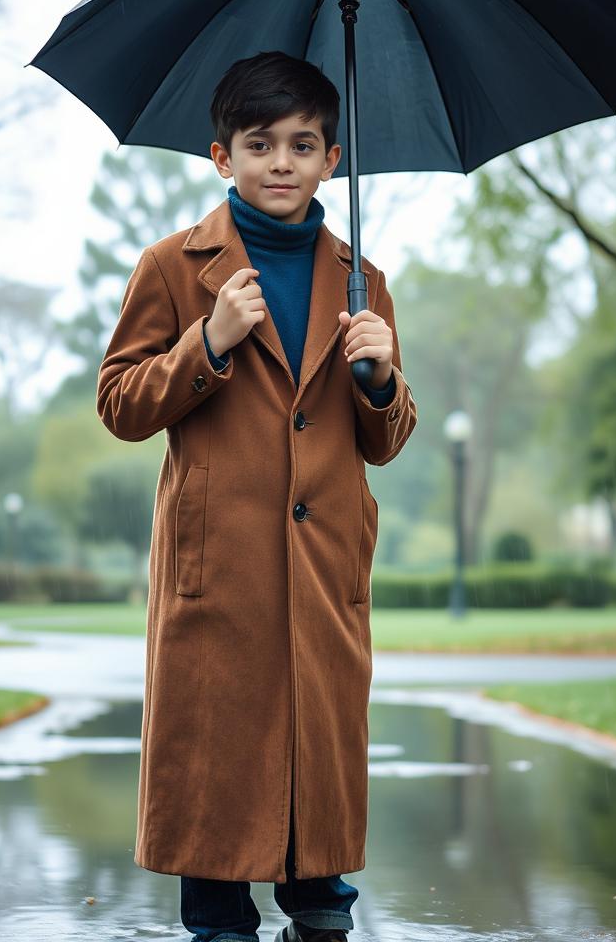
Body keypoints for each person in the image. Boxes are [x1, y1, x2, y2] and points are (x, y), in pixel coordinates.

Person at [96, 50, 418, 942]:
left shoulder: (365, 281)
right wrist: (209, 341)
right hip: (220, 567)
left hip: (323, 569)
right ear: (220, 157)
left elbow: (385, 441)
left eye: (304, 144)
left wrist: (382, 378)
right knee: (216, 748)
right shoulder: (171, 268)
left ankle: (321, 907)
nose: (282, 162)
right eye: (260, 142)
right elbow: (120, 403)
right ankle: (219, 919)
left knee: (318, 739)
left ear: (333, 161)